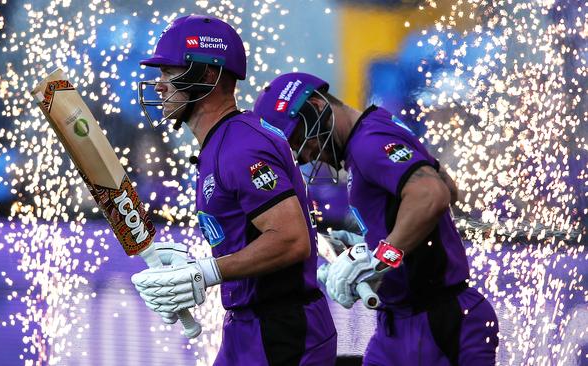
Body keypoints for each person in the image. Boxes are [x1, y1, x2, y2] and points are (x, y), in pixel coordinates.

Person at [130, 17, 337, 366]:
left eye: (170, 73)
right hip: (251, 325)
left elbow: (291, 240)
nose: (161, 85)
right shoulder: (225, 141)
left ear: (209, 76)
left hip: (281, 331)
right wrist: (192, 265)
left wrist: (204, 273)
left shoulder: (240, 146)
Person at [253, 72, 499, 366]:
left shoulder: (367, 142)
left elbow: (433, 195)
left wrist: (382, 258)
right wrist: (372, 242)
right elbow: (447, 186)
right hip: (401, 323)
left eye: (298, 139)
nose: (304, 156)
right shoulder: (373, 131)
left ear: (317, 106)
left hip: (440, 322)